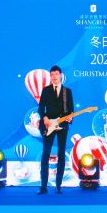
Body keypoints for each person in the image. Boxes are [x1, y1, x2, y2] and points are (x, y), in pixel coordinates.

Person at [37, 65, 74, 195]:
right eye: (52, 74)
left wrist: (70, 117)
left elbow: (71, 109)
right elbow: (41, 108)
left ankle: (58, 185)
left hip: (62, 125)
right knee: (45, 154)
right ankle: (43, 186)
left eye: (56, 74)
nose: (54, 76)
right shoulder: (46, 90)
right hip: (49, 125)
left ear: (61, 75)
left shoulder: (67, 91)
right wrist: (45, 118)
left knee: (61, 154)